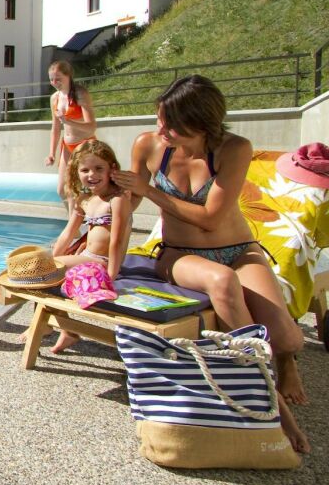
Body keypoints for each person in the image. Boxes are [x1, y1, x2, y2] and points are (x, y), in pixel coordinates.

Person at [111, 74, 309, 454]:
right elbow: (129, 203)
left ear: (200, 123)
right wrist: (108, 193)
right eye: (159, 119)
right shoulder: (149, 146)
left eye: (170, 124)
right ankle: (273, 403)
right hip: (178, 254)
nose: (160, 130)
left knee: (287, 338)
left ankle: (287, 363)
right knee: (221, 282)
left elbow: (211, 219)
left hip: (238, 249)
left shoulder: (234, 149)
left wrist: (148, 190)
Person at [44, 139, 134, 352]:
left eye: (98, 168)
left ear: (112, 168)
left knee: (43, 273)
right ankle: (66, 331)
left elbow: (117, 240)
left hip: (103, 263)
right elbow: (68, 233)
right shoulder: (85, 199)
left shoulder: (117, 199)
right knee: (40, 272)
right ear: (77, 172)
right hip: (87, 257)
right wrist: (53, 258)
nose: (92, 175)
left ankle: (57, 329)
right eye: (85, 170)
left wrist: (111, 276)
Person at [45, 60, 97, 200]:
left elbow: (91, 127)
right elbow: (56, 127)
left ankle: (86, 213)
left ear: (68, 76)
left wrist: (68, 121)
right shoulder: (54, 98)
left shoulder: (80, 94)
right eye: (51, 79)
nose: (54, 83)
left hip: (85, 145)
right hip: (67, 147)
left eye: (58, 79)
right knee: (62, 190)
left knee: (84, 190)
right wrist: (52, 153)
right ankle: (76, 214)